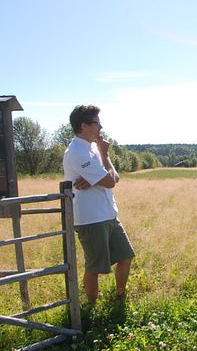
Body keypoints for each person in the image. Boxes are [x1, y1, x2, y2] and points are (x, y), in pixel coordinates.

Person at [63, 105, 135, 304]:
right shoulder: (77, 152)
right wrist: (104, 161)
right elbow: (110, 181)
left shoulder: (92, 148)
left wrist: (103, 162)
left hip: (108, 213)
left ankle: (119, 296)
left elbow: (115, 178)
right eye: (96, 123)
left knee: (126, 256)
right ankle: (92, 309)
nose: (101, 127)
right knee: (94, 267)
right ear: (83, 125)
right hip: (91, 218)